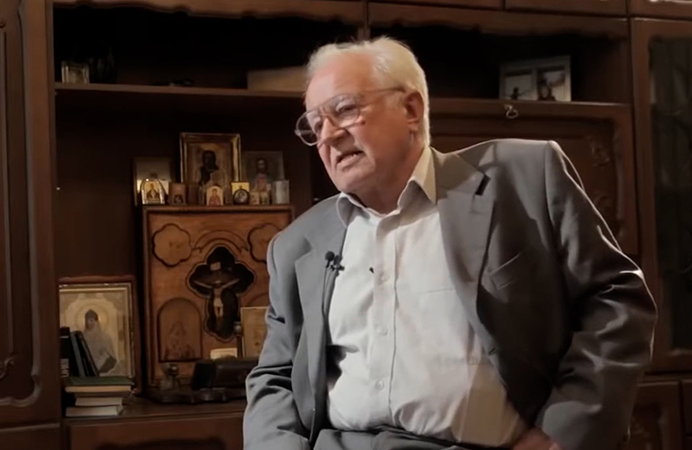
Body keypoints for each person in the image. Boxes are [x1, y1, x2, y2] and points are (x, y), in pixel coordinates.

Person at [243, 37, 656, 450]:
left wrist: (560, 434)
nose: (329, 136)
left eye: (345, 110)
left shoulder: (524, 180)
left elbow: (616, 301)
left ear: (411, 109)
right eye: (316, 125)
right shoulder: (297, 244)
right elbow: (275, 377)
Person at [82, 309, 118, 374]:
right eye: (87, 320)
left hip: (103, 365)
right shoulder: (83, 336)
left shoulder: (105, 337)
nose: (89, 323)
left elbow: (112, 356)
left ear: (96, 321)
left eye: (91, 320)